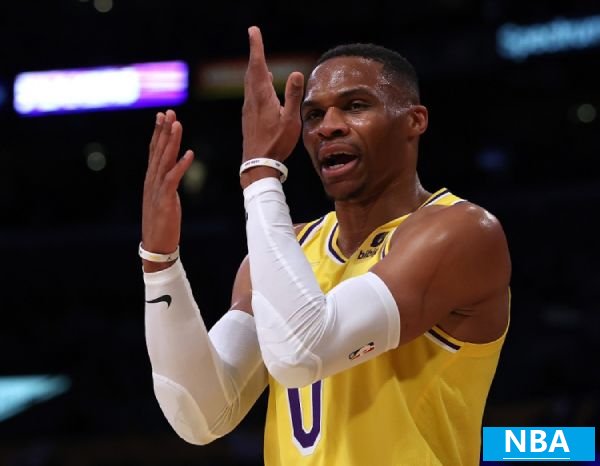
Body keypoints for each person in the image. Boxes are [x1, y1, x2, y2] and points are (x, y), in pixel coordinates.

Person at [141, 25, 511, 466]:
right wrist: (160, 264)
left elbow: (303, 353)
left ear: (415, 120)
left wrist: (259, 172)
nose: (328, 127)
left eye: (355, 106)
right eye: (313, 115)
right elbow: (201, 415)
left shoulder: (462, 232)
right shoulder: (286, 250)